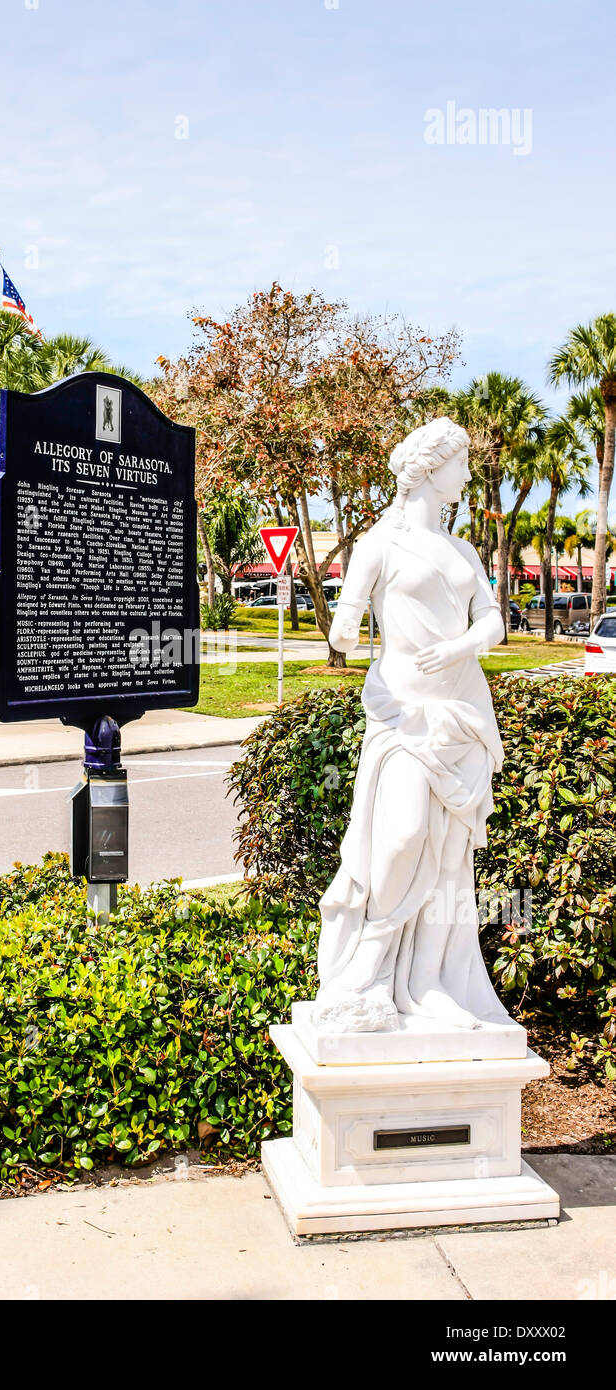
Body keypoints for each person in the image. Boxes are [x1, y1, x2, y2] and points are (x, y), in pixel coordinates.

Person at [312, 417, 512, 1034]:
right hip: (404, 713)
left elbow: (492, 621)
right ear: (430, 468)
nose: (467, 475)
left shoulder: (463, 551)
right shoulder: (380, 544)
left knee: (451, 856)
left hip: (463, 711)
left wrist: (461, 647)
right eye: (461, 464)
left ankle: (427, 984)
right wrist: (345, 629)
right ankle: (370, 958)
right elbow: (345, 624)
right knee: (400, 837)